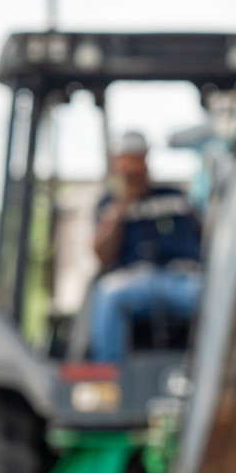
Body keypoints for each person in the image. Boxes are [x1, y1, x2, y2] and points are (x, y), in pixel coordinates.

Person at [87, 130, 203, 363]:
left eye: (137, 159)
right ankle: (110, 376)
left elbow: (204, 238)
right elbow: (101, 253)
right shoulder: (109, 205)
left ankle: (211, 369)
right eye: (126, 160)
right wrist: (124, 202)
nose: (133, 169)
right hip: (134, 281)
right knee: (108, 296)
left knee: (213, 296)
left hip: (183, 278)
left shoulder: (175, 196)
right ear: (117, 164)